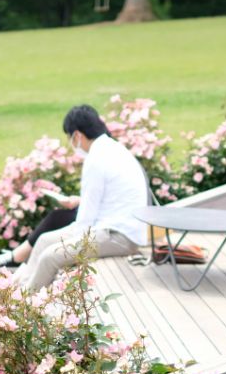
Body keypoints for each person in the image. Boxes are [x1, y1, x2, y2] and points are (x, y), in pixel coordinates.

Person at [10, 104, 148, 290]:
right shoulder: (110, 149)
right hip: (109, 228)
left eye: (69, 137)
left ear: (77, 135)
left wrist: (69, 241)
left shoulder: (96, 159)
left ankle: (25, 303)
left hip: (120, 237)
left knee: (50, 257)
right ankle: (20, 288)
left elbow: (86, 218)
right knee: (43, 241)